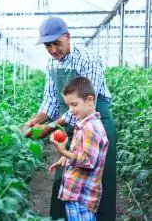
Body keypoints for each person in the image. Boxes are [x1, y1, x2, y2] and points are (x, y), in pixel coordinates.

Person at [26, 17, 117, 220]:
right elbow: (49, 101)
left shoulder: (88, 59)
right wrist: (34, 122)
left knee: (99, 178)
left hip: (96, 123)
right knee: (67, 176)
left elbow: (84, 104)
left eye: (56, 43)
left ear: (67, 37)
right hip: (73, 125)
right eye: (47, 46)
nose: (52, 50)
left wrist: (50, 126)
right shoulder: (52, 64)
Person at [49, 76, 108, 221]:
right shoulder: (85, 124)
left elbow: (87, 160)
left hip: (81, 197)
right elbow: (81, 151)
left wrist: (63, 151)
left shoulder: (90, 128)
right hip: (78, 194)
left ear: (89, 100)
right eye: (68, 105)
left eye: (74, 104)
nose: (71, 110)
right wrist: (64, 158)